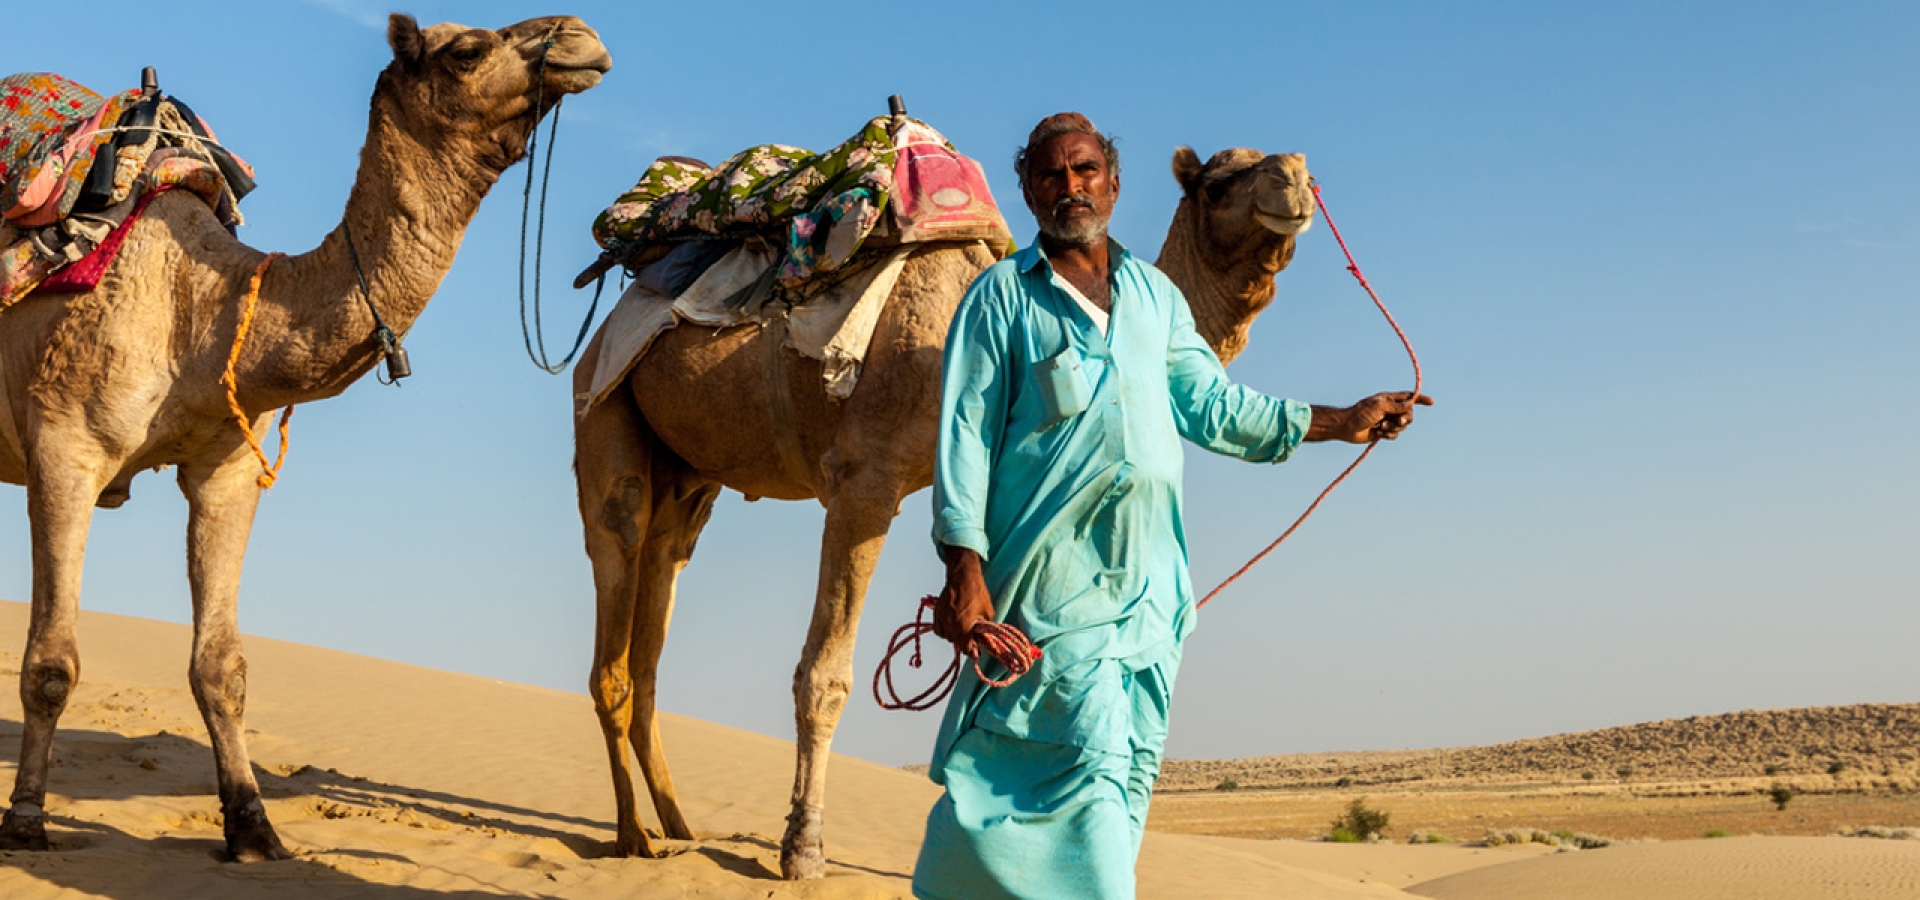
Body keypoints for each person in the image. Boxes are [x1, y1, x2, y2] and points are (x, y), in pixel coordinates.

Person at [911, 113, 1431, 900]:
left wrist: (1340, 421)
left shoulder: (1157, 298)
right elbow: (964, 441)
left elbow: (1214, 406)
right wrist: (963, 568)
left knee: (1121, 786)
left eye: (1085, 171)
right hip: (1051, 593)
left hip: (1153, 599)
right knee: (1076, 768)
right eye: (1052, 175)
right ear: (1027, 190)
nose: (1070, 188)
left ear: (1114, 185)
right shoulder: (1000, 303)